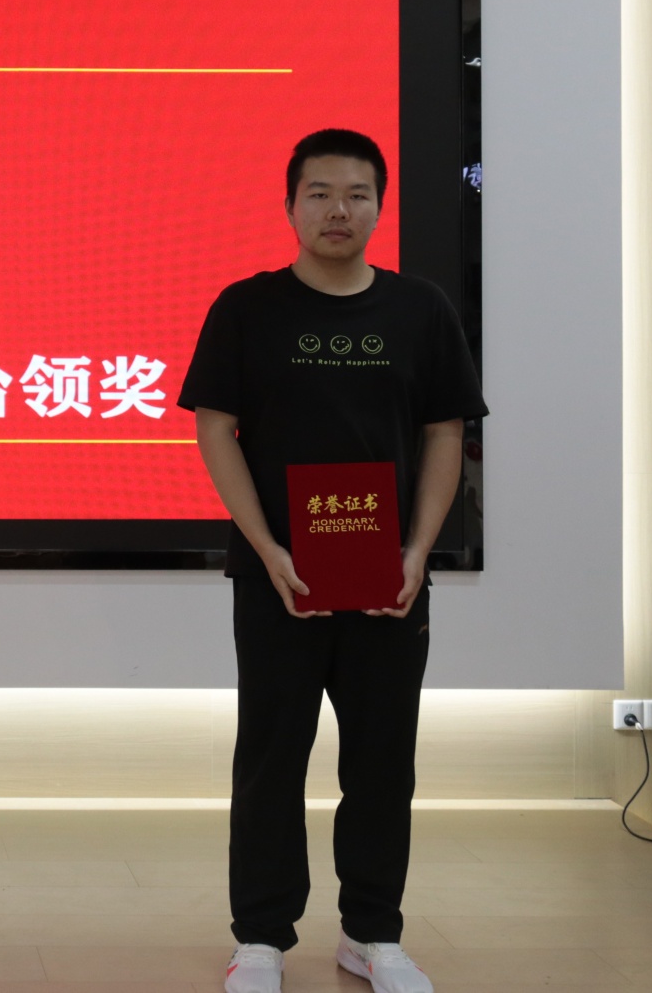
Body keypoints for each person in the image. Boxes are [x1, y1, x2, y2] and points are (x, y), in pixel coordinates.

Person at [177, 130, 486, 993]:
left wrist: (418, 551)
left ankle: (373, 934)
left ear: (380, 207)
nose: (338, 209)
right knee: (271, 757)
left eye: (356, 193)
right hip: (279, 578)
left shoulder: (420, 309)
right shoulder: (247, 308)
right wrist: (266, 546)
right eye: (319, 193)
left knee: (383, 760)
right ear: (290, 206)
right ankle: (261, 940)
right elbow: (215, 429)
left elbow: (445, 433)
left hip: (389, 580)